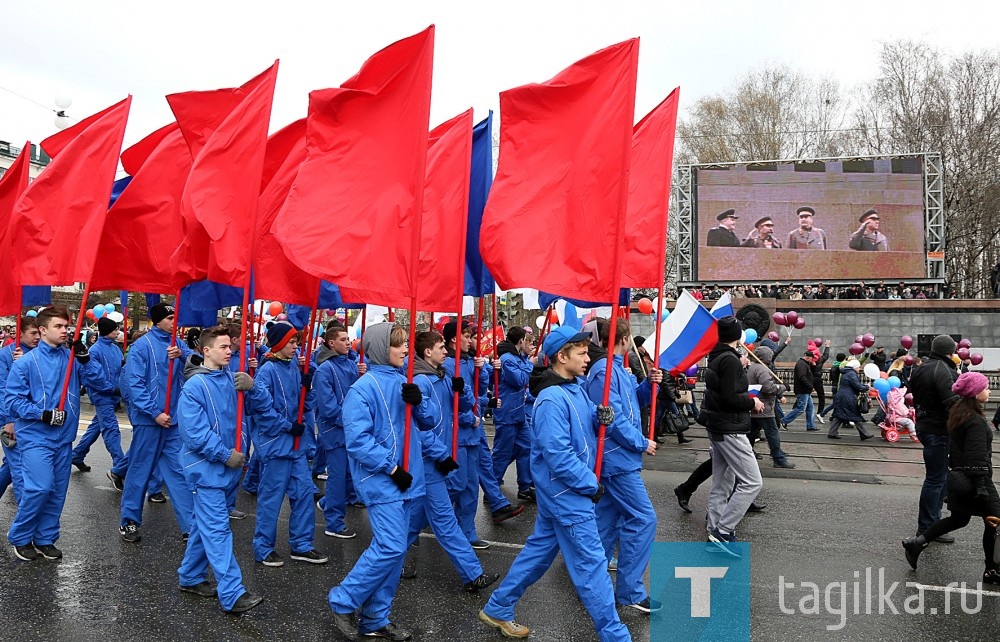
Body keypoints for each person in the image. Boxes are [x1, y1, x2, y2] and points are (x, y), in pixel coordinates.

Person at [479, 326, 628, 641]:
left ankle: (498, 606)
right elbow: (558, 456)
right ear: (562, 356)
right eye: (582, 352)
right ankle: (616, 635)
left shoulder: (574, 387)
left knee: (539, 553)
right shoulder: (550, 399)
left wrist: (602, 418)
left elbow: (582, 432)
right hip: (567, 493)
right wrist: (590, 483)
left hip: (563, 492)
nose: (589, 357)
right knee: (592, 567)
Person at [327, 323, 426, 641]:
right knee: (391, 546)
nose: (405, 350)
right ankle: (343, 600)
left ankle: (375, 619)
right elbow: (357, 441)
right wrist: (392, 468)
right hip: (383, 480)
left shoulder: (404, 381)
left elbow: (429, 422)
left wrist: (420, 401)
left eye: (406, 344)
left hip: (410, 478)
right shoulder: (363, 388)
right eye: (398, 345)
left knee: (396, 554)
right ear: (382, 348)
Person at [175, 326, 279, 613]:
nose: (229, 350)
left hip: (229, 469)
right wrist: (224, 455)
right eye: (222, 346)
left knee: (203, 527)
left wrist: (253, 386)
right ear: (206, 351)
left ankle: (190, 576)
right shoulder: (195, 386)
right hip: (206, 470)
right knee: (217, 530)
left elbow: (264, 410)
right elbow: (193, 433)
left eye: (229, 346)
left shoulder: (233, 379)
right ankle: (233, 594)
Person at [5, 305, 113, 561]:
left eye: (67, 326)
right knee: (39, 488)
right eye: (59, 326)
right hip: (35, 438)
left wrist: (85, 358)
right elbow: (12, 401)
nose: (65, 331)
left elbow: (101, 385)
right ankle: (21, 537)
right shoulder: (27, 362)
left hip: (64, 438)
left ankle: (45, 537)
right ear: (43, 330)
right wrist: (42, 413)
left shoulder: (72, 358)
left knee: (57, 492)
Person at [403, 330, 498, 591]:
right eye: (441, 347)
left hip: (439, 456)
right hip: (428, 460)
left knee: (415, 518)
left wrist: (462, 388)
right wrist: (441, 454)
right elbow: (418, 429)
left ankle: (392, 557)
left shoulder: (442, 376)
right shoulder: (421, 383)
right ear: (427, 353)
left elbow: (465, 406)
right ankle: (472, 574)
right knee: (444, 519)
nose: (446, 351)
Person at [586, 319, 663, 614]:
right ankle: (629, 591)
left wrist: (649, 384)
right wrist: (641, 442)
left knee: (606, 522)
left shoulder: (617, 368)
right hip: (616, 459)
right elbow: (613, 418)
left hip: (620, 458)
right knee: (644, 519)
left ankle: (591, 579)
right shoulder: (604, 370)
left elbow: (635, 402)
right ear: (625, 338)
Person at [901, 372, 1000, 585]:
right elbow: (975, 456)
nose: (989, 390)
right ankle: (992, 570)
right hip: (976, 479)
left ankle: (917, 543)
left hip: (960, 477)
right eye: (985, 387)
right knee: (996, 521)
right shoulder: (975, 420)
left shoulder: (959, 413)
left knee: (959, 519)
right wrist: (981, 486)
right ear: (975, 393)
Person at [117, 303, 195, 543]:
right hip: (150, 421)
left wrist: (182, 357)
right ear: (158, 320)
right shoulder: (141, 346)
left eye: (175, 317)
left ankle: (190, 526)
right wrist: (154, 413)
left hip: (172, 421)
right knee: (140, 470)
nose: (175, 321)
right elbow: (135, 385)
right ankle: (129, 521)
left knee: (178, 473)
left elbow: (196, 367)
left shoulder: (179, 344)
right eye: (170, 317)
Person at [252, 321, 327, 567]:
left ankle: (302, 545)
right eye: (292, 342)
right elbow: (262, 411)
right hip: (276, 446)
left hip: (297, 446)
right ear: (280, 344)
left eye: (297, 342)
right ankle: (263, 548)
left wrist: (309, 387)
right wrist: (287, 426)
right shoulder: (267, 370)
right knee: (271, 499)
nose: (296, 347)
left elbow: (304, 405)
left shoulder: (293, 365)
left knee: (304, 494)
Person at [699, 316, 764, 556]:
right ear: (737, 335)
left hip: (719, 427)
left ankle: (714, 531)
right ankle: (722, 532)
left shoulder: (717, 357)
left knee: (722, 484)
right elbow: (730, 397)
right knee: (752, 482)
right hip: (730, 428)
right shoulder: (730, 360)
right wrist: (752, 401)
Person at [313, 325, 365, 540]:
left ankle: (327, 503)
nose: (347, 342)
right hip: (335, 432)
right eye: (343, 339)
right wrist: (352, 421)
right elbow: (328, 408)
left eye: (348, 339)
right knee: (337, 477)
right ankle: (333, 522)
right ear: (331, 343)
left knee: (348, 474)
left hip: (351, 430)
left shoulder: (352, 364)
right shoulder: (324, 370)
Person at [908, 334, 960, 543]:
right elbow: (951, 402)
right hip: (938, 428)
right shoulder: (943, 370)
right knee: (935, 479)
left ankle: (932, 523)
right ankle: (928, 527)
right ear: (949, 352)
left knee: (938, 477)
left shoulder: (922, 367)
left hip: (925, 425)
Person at [71, 316, 127, 474]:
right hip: (102, 396)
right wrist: (112, 388)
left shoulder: (115, 348)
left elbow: (120, 369)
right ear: (108, 331)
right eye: (115, 329)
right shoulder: (95, 350)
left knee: (97, 426)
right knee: (111, 429)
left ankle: (77, 454)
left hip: (112, 395)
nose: (118, 331)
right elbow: (93, 376)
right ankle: (121, 466)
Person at [0, 315, 40, 503]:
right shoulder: (6, 355)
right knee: (20, 471)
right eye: (33, 333)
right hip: (12, 421)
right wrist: (9, 420)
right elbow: (4, 390)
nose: (37, 337)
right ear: (20, 334)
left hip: (34, 419)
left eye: (39, 332)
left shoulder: (39, 354)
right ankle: (26, 524)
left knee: (11, 467)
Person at [493, 327, 536, 502]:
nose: (529, 344)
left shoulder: (517, 358)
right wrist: (530, 365)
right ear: (521, 341)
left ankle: (525, 486)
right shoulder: (507, 359)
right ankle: (492, 486)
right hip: (507, 413)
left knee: (526, 447)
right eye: (528, 340)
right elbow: (519, 381)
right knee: (502, 452)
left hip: (518, 413)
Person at [748, 346, 794, 468]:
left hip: (755, 407)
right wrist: (782, 387)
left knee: (751, 433)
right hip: (764, 408)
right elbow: (768, 388)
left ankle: (748, 454)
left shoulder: (752, 368)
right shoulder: (762, 370)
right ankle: (778, 458)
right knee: (773, 433)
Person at [826, 360, 874, 440]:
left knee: (839, 415)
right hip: (848, 397)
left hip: (841, 396)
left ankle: (832, 433)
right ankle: (864, 434)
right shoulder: (852, 374)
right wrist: (867, 387)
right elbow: (858, 386)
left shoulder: (846, 373)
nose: (859, 369)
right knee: (855, 414)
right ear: (854, 367)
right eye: (858, 367)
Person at [780, 351, 818, 432]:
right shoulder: (802, 364)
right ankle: (784, 421)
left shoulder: (805, 364)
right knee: (801, 408)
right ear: (808, 357)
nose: (813, 361)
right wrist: (810, 387)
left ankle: (810, 426)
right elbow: (802, 377)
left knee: (810, 408)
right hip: (802, 390)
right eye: (812, 359)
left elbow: (809, 375)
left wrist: (813, 367)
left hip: (805, 390)